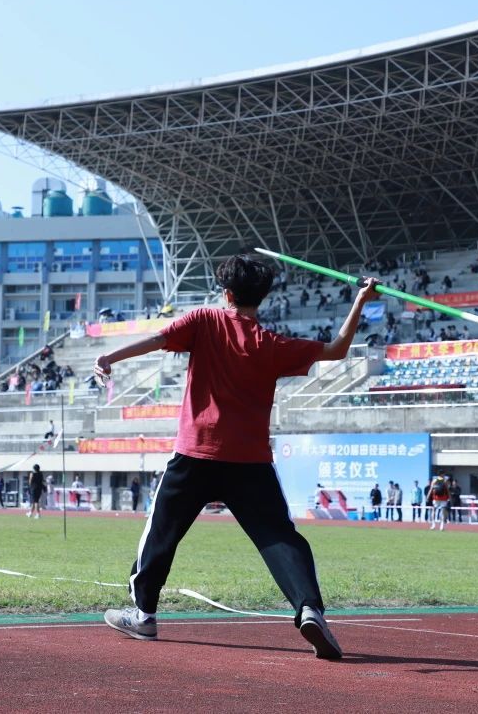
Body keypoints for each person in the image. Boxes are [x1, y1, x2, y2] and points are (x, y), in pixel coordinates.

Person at [98, 254, 379, 660]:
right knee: (279, 537)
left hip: (196, 452)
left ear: (227, 293)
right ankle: (309, 608)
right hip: (250, 461)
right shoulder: (272, 344)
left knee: (161, 532)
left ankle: (143, 614)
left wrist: (110, 358)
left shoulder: (204, 320)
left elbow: (157, 340)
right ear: (261, 298)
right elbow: (336, 350)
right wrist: (360, 301)